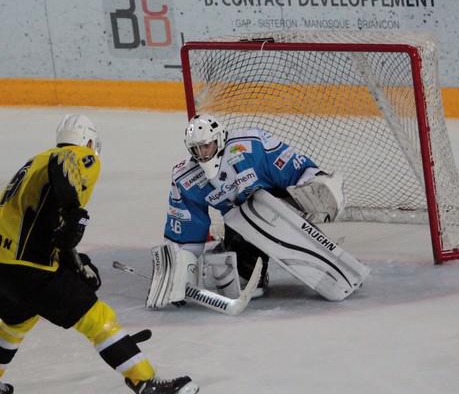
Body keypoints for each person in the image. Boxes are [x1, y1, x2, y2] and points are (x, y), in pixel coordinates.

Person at [0, 114, 198, 394]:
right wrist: (76, 211)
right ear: (88, 141)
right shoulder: (79, 155)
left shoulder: (37, 158)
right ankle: (147, 385)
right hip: (23, 262)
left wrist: (73, 260)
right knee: (97, 318)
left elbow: (48, 222)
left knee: (17, 319)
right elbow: (64, 169)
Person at [148, 113, 367, 313]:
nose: (202, 153)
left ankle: (328, 257)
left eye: (207, 146)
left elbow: (293, 168)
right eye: (196, 149)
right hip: (241, 223)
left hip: (281, 206)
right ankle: (240, 257)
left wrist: (315, 184)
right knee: (239, 283)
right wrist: (179, 268)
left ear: (220, 138)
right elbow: (188, 228)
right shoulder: (186, 178)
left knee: (263, 208)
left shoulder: (252, 145)